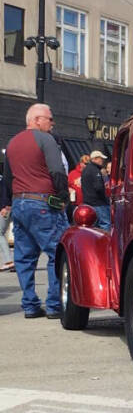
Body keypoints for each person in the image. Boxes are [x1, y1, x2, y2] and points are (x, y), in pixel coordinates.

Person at [2, 103, 69, 318]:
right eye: (50, 119)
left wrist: (10, 203)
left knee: (24, 256)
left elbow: (8, 178)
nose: (52, 123)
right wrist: (63, 196)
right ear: (37, 120)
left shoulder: (12, 143)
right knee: (56, 253)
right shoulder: (45, 139)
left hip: (20, 202)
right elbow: (57, 171)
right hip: (42, 202)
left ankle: (30, 304)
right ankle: (53, 304)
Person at [81, 150, 111, 230]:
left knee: (92, 227)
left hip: (87, 203)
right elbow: (98, 187)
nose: (102, 161)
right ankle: (105, 242)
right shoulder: (95, 170)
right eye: (101, 159)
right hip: (98, 203)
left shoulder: (85, 170)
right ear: (96, 159)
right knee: (105, 223)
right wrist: (104, 198)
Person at [67, 154, 90, 221]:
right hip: (75, 203)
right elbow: (67, 185)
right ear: (81, 163)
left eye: (88, 164)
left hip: (87, 203)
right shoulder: (73, 173)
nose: (87, 165)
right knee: (75, 221)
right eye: (85, 164)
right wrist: (70, 189)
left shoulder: (90, 173)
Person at [0, 174, 14, 271]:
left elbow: (4, 191)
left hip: (7, 207)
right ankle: (18, 261)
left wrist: (5, 206)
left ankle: (9, 261)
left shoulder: (4, 178)